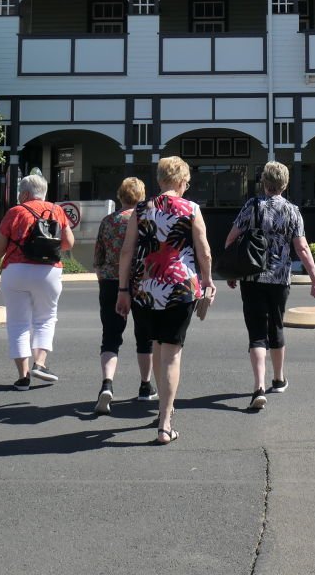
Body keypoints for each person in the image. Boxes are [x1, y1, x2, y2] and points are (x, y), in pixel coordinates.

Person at [116, 156, 216, 444]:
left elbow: (126, 251)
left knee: (158, 347)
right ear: (182, 180)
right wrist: (208, 281)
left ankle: (162, 410)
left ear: (160, 180)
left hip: (146, 289)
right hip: (180, 287)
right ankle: (165, 421)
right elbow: (204, 250)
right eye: (186, 181)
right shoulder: (191, 208)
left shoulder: (141, 208)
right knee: (172, 352)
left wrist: (123, 290)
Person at [223, 160, 315, 411]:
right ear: (285, 184)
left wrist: (231, 271)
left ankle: (258, 387)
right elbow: (301, 247)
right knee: (275, 326)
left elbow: (231, 239)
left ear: (264, 183)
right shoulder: (292, 211)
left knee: (256, 333)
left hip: (252, 277)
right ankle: (278, 379)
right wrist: (314, 277)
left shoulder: (251, 206)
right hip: (279, 280)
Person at [0, 172, 75, 390]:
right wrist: (46, 248)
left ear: (25, 194)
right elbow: (68, 243)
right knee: (45, 318)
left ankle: (23, 377)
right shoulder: (57, 210)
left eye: (19, 192)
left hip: (15, 270)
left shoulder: (15, 212)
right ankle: (41, 363)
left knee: (18, 323)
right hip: (49, 272)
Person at [92, 176, 155, 414]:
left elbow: (98, 259)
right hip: (140, 281)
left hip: (110, 282)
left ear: (120, 196)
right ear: (141, 196)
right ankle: (145, 385)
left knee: (110, 336)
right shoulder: (145, 220)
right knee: (145, 336)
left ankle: (107, 384)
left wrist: (105, 280)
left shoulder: (109, 221)